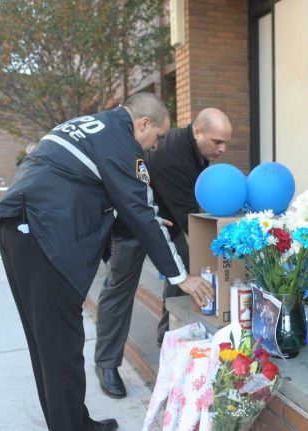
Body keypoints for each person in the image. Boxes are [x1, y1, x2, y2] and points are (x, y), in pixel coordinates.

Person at [0, 92, 214, 431]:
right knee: (61, 347)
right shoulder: (122, 144)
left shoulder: (91, 126)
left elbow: (91, 190)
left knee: (48, 344)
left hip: (20, 226)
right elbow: (142, 211)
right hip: (41, 234)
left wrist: (140, 219)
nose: (156, 146)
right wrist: (181, 277)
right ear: (143, 124)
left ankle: (76, 423)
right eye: (158, 136)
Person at [94, 108, 231, 399]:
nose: (223, 149)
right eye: (218, 142)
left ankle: (169, 335)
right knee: (119, 289)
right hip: (132, 226)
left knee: (184, 270)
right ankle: (106, 364)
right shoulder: (173, 160)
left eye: (225, 143)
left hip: (167, 221)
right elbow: (192, 219)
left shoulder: (197, 152)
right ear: (197, 132)